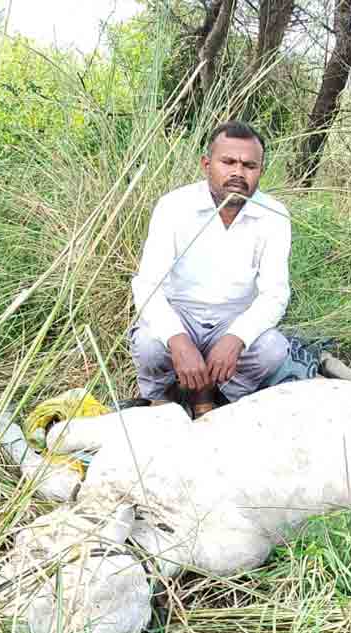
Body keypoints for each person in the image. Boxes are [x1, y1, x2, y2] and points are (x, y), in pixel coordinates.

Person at [129, 121, 291, 417]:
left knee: (273, 349)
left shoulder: (274, 216)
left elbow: (275, 294)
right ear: (207, 164)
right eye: (228, 162)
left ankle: (219, 399)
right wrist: (178, 340)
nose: (238, 173)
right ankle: (161, 400)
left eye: (249, 165)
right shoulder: (174, 206)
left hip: (232, 318)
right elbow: (147, 285)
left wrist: (236, 337)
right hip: (181, 313)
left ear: (260, 171)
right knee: (149, 345)